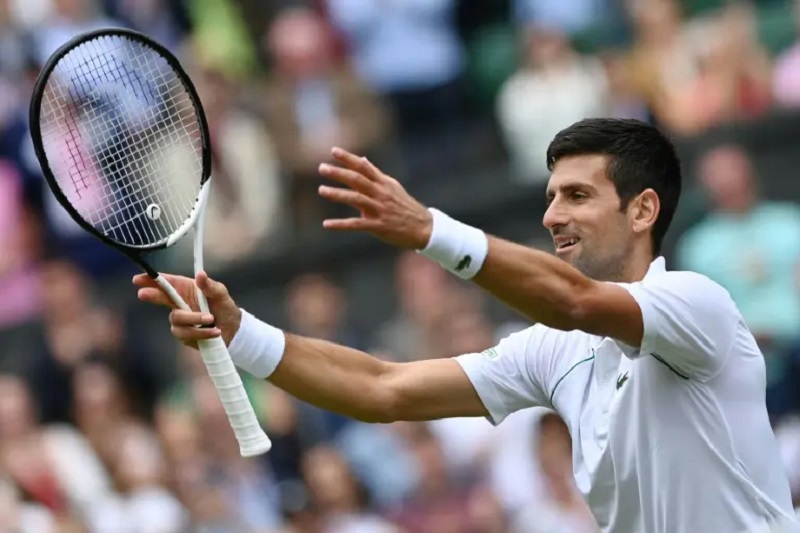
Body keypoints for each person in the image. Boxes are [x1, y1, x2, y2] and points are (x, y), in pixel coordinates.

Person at [133, 118, 798, 532]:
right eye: (550, 197)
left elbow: (572, 300)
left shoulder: (696, 303)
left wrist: (430, 230)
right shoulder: (553, 351)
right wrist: (239, 331)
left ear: (643, 210)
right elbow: (382, 389)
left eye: (577, 195)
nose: (552, 215)